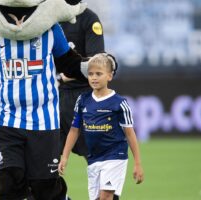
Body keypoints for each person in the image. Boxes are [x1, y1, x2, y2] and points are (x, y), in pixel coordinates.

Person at [0, 2, 97, 199]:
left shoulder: (50, 29)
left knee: (44, 189)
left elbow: (69, 63)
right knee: (10, 185)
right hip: (8, 120)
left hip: (44, 121)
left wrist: (97, 67)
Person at [58, 53, 144, 200]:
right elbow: (74, 130)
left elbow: (130, 134)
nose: (94, 77)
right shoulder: (83, 100)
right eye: (90, 74)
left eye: (99, 74)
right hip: (93, 158)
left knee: (105, 196)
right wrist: (65, 157)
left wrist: (138, 163)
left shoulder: (119, 103)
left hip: (114, 157)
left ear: (109, 76)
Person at [59, 0, 105, 160]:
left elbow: (96, 62)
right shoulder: (50, 19)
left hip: (84, 96)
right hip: (54, 98)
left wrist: (61, 77)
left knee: (96, 160)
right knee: (48, 164)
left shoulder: (89, 19)